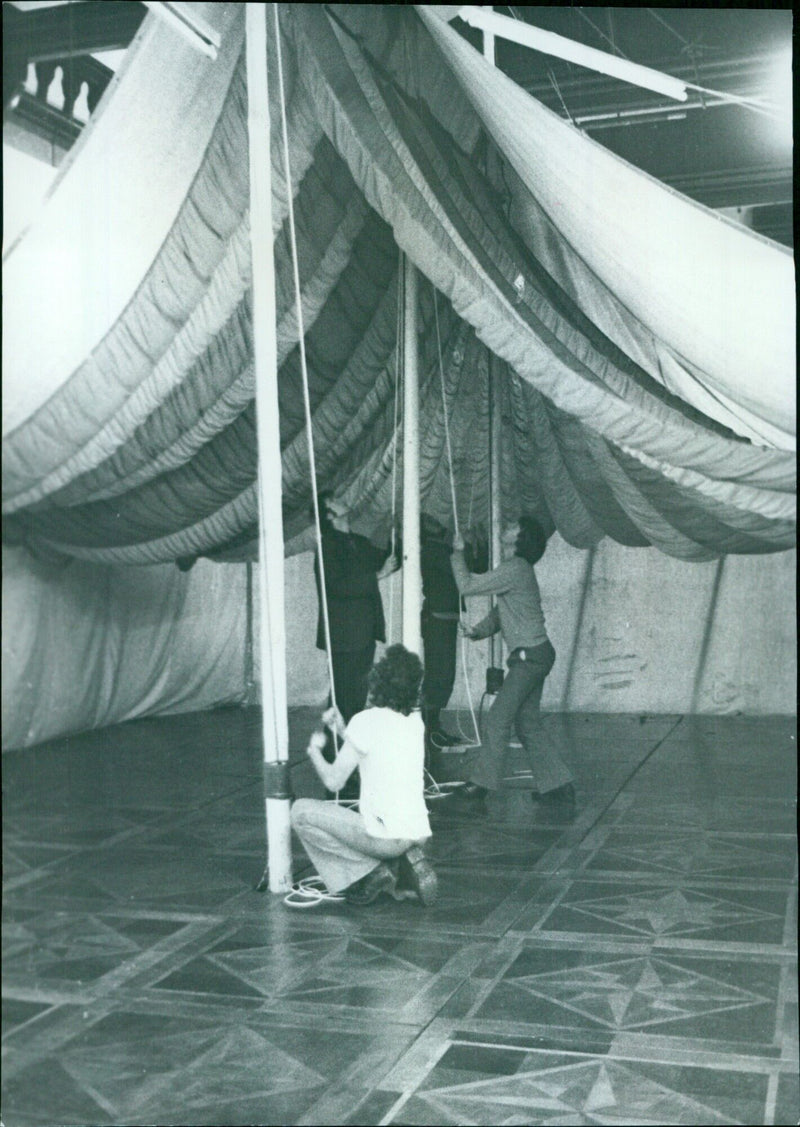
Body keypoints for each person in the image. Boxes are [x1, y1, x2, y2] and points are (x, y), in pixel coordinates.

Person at [445, 515, 576, 812]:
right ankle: (559, 785)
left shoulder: (515, 568)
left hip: (529, 657)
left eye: (514, 526)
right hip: (536, 654)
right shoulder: (516, 571)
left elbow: (466, 586)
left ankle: (480, 786)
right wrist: (478, 631)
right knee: (527, 723)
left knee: (497, 718)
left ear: (520, 539)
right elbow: (502, 610)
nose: (508, 526)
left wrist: (457, 552)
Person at [290, 645, 438, 906]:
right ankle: (401, 859)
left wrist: (314, 751)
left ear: (377, 683)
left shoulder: (366, 720)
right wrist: (343, 729)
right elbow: (376, 753)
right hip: (417, 832)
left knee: (300, 813)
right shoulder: (415, 722)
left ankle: (370, 871)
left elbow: (334, 781)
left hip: (385, 837)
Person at [312, 491, 393, 797]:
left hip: (362, 633)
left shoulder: (356, 542)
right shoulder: (326, 547)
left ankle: (338, 762)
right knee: (346, 700)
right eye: (334, 502)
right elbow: (338, 586)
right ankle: (340, 767)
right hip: (343, 635)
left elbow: (382, 557)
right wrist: (378, 575)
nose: (343, 501)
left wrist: (393, 523)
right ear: (330, 516)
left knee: (350, 700)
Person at [419, 514, 462, 751]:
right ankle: (428, 728)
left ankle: (432, 726)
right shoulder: (433, 551)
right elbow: (459, 571)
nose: (437, 522)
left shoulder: (439, 549)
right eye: (430, 522)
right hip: (437, 619)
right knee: (439, 676)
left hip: (443, 619)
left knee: (442, 675)